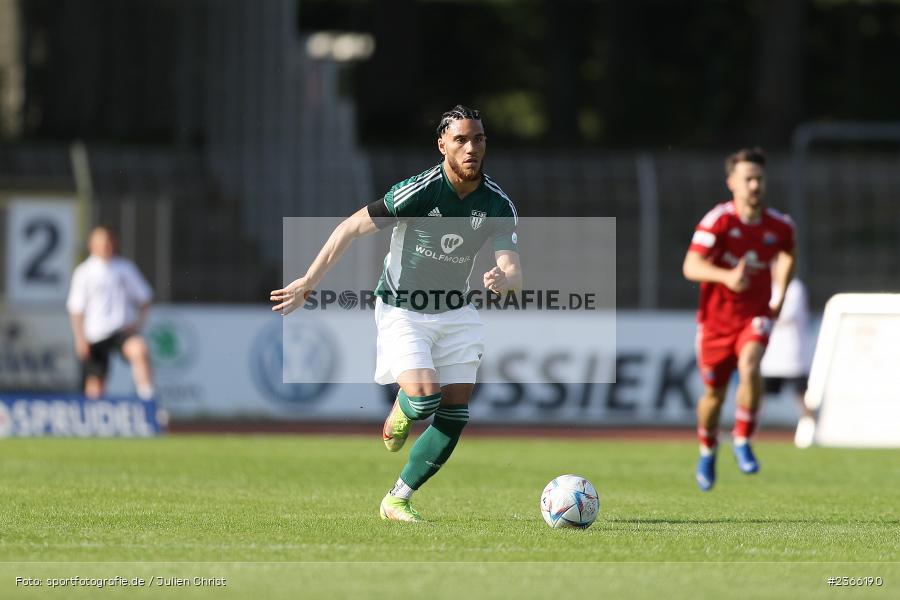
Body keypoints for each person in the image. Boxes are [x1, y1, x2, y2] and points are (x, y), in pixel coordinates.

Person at [270, 105, 521, 522]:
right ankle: (403, 411)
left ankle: (398, 498)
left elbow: (513, 271)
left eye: (478, 139)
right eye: (460, 139)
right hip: (403, 309)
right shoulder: (419, 192)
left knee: (456, 413)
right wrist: (309, 281)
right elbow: (350, 227)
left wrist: (504, 279)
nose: (471, 148)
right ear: (442, 145)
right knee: (424, 400)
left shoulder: (497, 203)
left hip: (457, 312)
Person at [682, 147, 796, 491]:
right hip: (715, 323)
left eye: (759, 178)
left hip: (754, 315)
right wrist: (727, 277)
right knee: (713, 397)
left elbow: (788, 253)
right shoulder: (718, 221)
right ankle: (707, 449)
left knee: (750, 365)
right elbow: (691, 266)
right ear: (731, 183)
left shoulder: (780, 225)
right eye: (748, 179)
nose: (755, 185)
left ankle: (743, 439)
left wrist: (780, 295)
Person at [66, 226, 155, 400]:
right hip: (95, 334)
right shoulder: (84, 272)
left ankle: (147, 400)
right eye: (100, 242)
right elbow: (76, 309)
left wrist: (138, 323)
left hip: (121, 330)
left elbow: (145, 298)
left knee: (139, 349)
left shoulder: (125, 268)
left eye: (107, 241)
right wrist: (80, 338)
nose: (105, 246)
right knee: (95, 386)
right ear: (91, 245)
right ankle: (95, 414)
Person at [760, 274, 815, 448]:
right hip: (770, 356)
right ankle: (746, 432)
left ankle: (812, 432)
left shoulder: (795, 288)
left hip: (793, 354)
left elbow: (784, 314)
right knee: (758, 395)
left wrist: (763, 311)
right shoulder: (767, 285)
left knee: (801, 396)